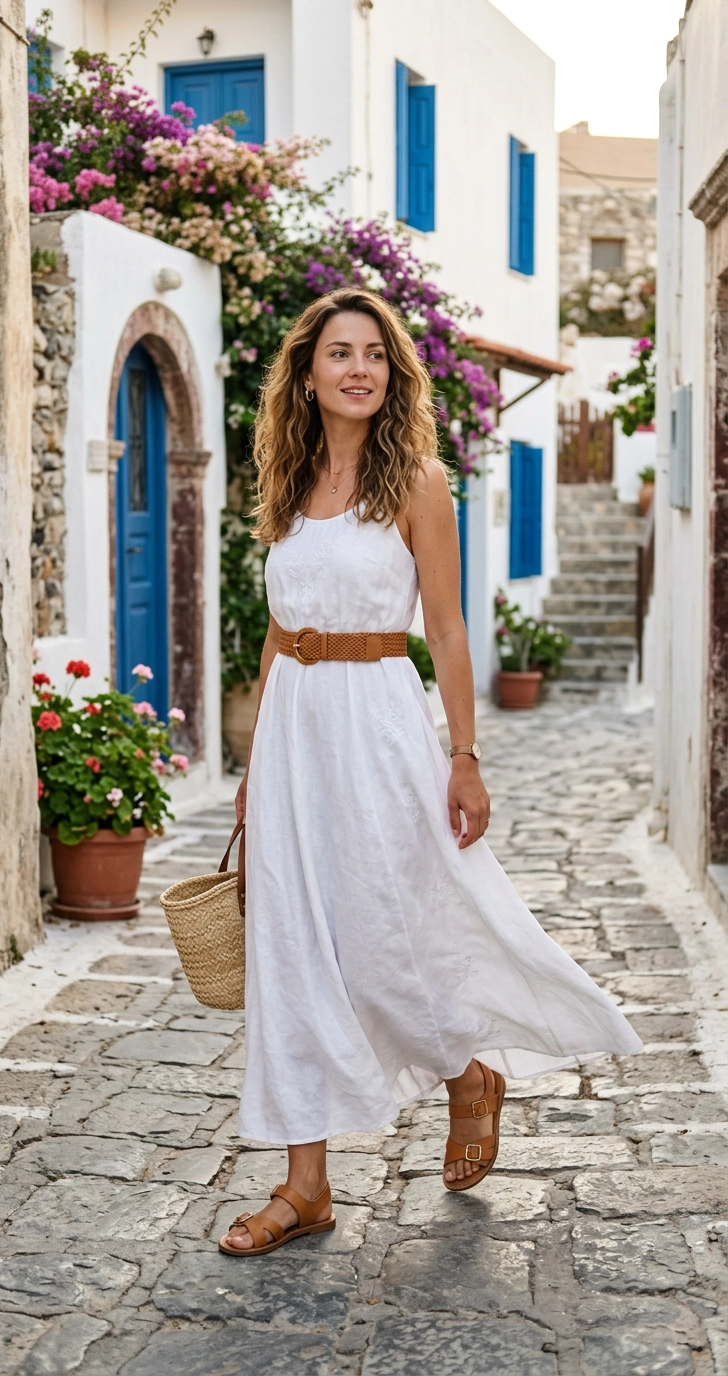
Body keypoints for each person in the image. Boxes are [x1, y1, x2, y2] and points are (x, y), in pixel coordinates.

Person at [219, 288, 641, 1257]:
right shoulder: (285, 481)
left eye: (375, 353)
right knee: (291, 947)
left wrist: (465, 755)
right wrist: (253, 765)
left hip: (378, 723)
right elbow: (280, 633)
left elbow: (446, 631)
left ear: (393, 373)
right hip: (292, 738)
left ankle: (467, 1072)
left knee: (384, 932)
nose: (359, 368)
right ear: (307, 373)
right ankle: (305, 1184)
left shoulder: (415, 481)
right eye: (340, 353)